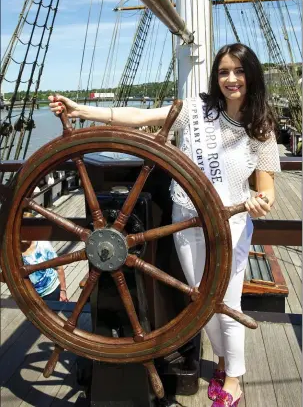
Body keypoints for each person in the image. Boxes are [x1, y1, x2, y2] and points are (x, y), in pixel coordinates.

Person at [48, 43, 280, 406]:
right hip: (185, 221)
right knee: (203, 302)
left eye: (238, 71)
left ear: (251, 75)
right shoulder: (195, 111)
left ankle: (234, 378)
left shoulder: (261, 128)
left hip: (228, 227)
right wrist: (81, 109)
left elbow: (266, 188)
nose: (231, 79)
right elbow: (139, 118)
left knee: (227, 303)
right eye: (223, 72)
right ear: (215, 77)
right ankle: (222, 361)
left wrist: (260, 201)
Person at [22, 213, 69, 302]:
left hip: (51, 291)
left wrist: (63, 290)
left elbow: (59, 267)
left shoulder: (43, 245)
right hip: (31, 296)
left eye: (27, 229)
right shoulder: (15, 251)